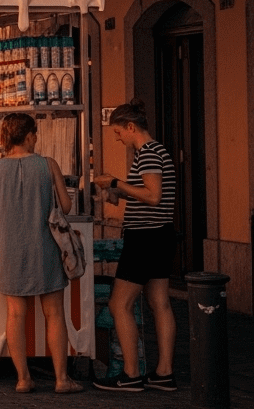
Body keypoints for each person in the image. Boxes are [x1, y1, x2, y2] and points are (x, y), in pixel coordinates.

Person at [0, 113, 81, 394]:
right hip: (45, 247)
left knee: (15, 314)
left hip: (11, 249)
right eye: (35, 134)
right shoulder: (48, 165)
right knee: (55, 313)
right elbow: (67, 207)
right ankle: (61, 379)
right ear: (30, 136)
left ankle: (23, 378)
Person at [92, 100, 177, 393]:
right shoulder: (157, 152)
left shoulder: (149, 153)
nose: (118, 139)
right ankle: (164, 373)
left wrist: (115, 181)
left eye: (118, 132)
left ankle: (130, 374)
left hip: (145, 238)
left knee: (119, 304)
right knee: (160, 303)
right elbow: (148, 196)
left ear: (130, 127)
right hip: (161, 234)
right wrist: (116, 193)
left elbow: (153, 196)